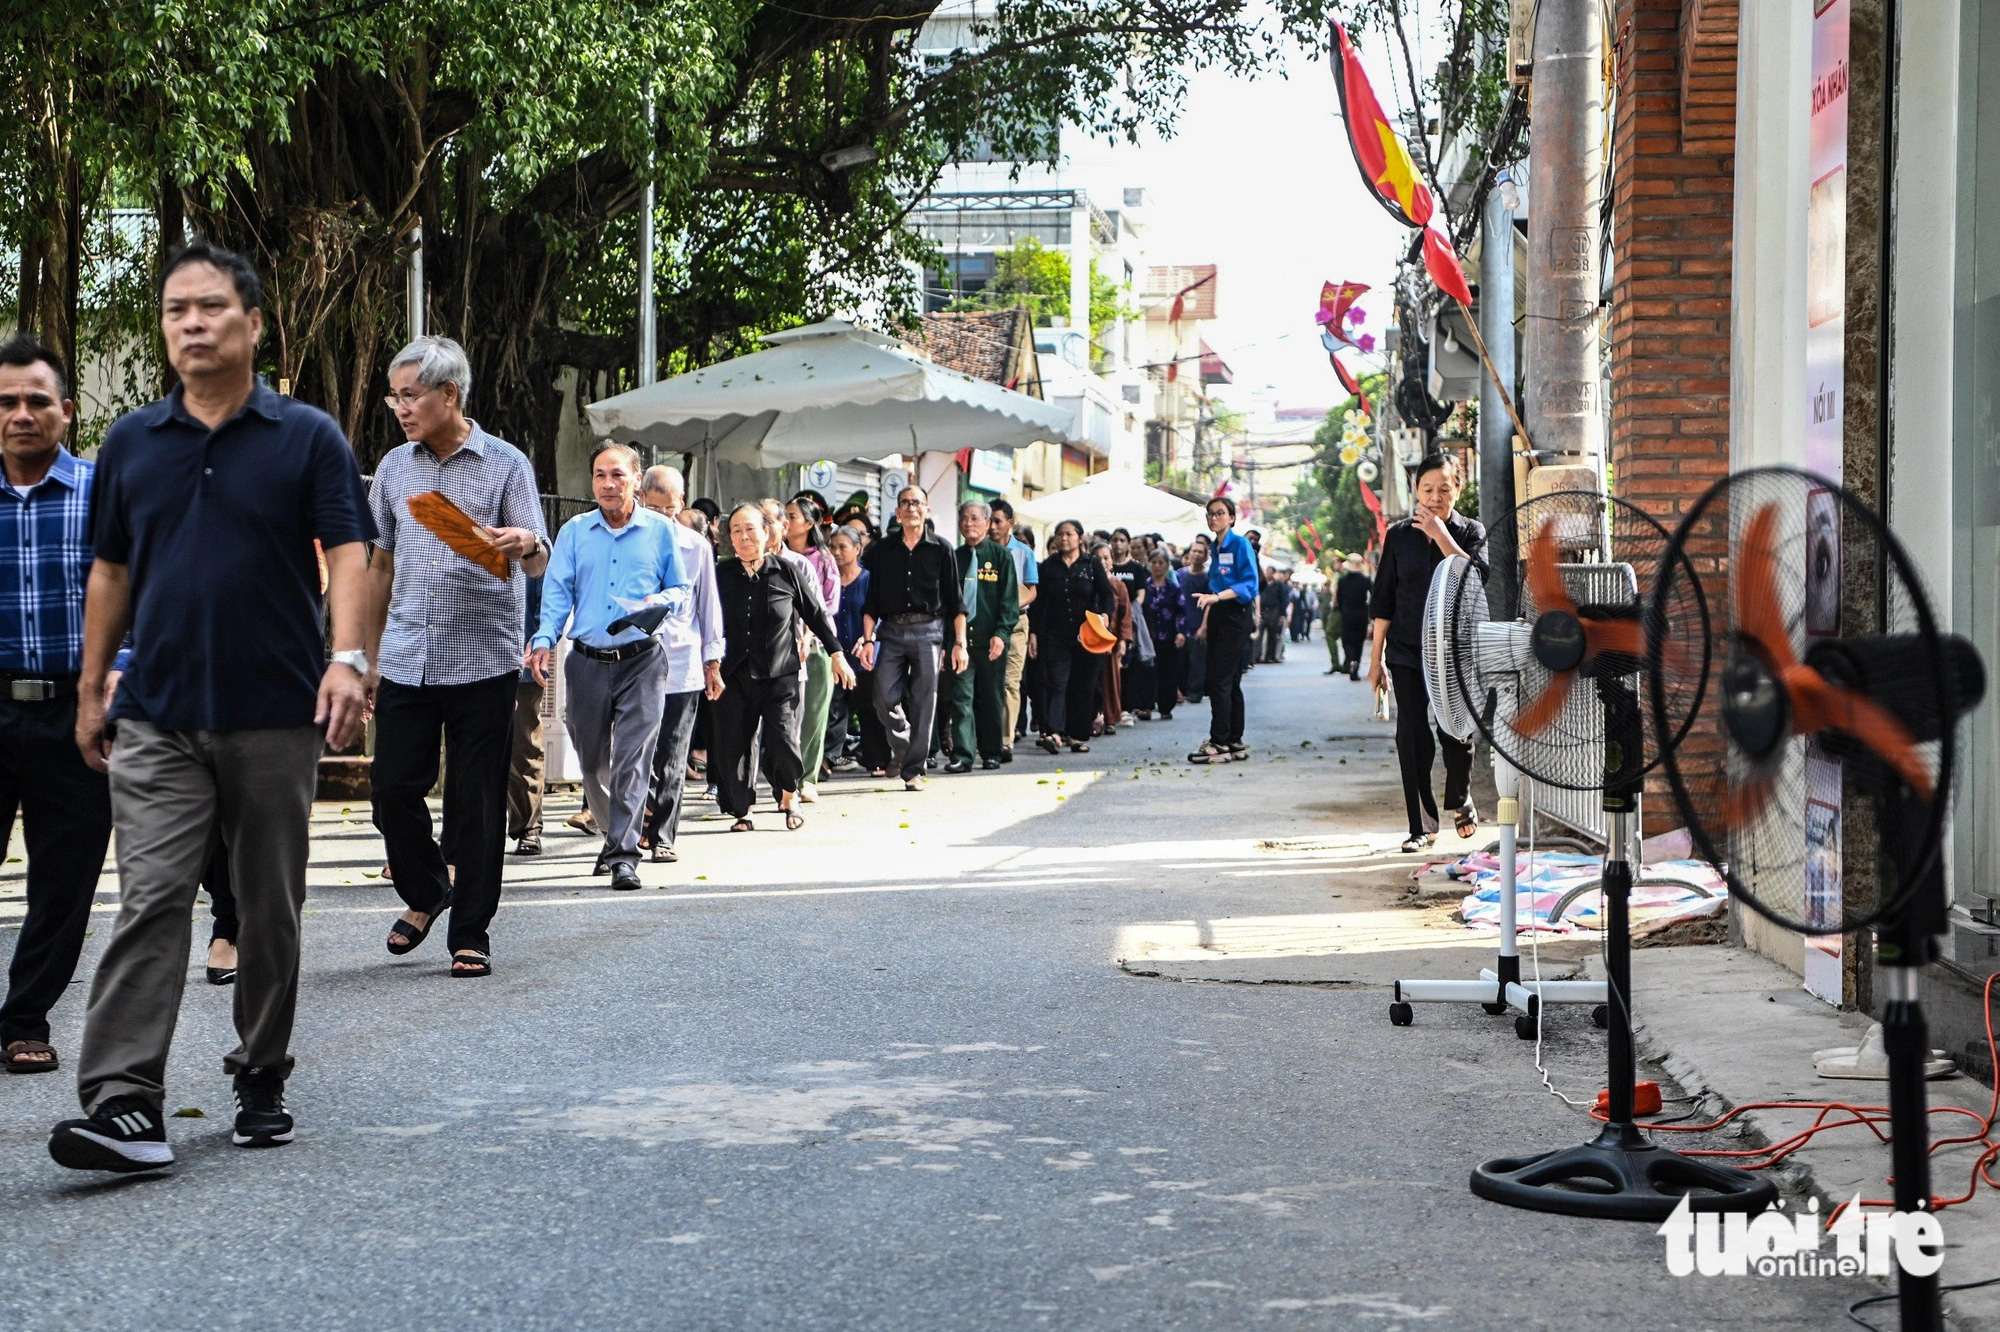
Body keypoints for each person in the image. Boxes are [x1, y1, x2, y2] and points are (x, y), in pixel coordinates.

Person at [52, 242, 372, 1171]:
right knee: (149, 900)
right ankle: (123, 1104)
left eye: (210, 308)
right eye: (175, 311)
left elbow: (348, 549)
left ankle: (261, 1069)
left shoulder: (306, 435)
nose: (191, 324)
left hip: (275, 713)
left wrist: (347, 657)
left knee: (268, 907)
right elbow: (109, 569)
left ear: (254, 323)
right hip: (157, 713)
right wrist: (90, 687)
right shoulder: (130, 443)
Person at [363, 335, 549, 979]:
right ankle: (426, 893)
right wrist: (367, 655)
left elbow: (537, 557)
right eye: (395, 397)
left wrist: (525, 540)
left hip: (482, 660)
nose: (401, 408)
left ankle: (470, 930)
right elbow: (380, 562)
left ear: (450, 394)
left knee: (473, 802)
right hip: (408, 654)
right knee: (392, 791)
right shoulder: (393, 469)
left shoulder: (505, 464)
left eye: (410, 395)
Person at [0, 336, 114, 1076]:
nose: (21, 414)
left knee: (64, 879)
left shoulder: (105, 494)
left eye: (38, 401)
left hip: (78, 713)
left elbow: (142, 598)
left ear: (67, 412)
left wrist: (112, 685)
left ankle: (24, 1017)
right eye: (6, 402)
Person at [527, 445, 688, 891]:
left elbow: (680, 588)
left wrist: (661, 601)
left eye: (617, 474)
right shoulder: (575, 532)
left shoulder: (659, 531)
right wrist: (544, 640)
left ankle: (622, 853)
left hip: (642, 661)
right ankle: (614, 830)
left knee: (632, 761)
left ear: (636, 478)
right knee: (592, 759)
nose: (607, 484)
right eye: (599, 475)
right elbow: (556, 594)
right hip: (586, 662)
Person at [1368, 453, 1486, 852]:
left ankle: (1460, 796)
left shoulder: (1471, 530)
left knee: (1456, 732)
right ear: (1416, 490)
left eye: (1444, 489)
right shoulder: (1398, 535)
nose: (1435, 497)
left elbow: (1477, 575)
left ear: (1459, 489)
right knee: (1411, 735)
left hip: (1455, 652)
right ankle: (1422, 826)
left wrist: (1440, 535)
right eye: (1427, 489)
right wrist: (1376, 659)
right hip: (1406, 651)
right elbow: (1384, 600)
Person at [712, 504, 854, 831]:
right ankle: (742, 812)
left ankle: (788, 794)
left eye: (750, 529)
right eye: (736, 530)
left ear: (767, 532)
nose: (744, 536)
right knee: (735, 743)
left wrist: (836, 654)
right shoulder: (721, 574)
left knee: (783, 739)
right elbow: (705, 621)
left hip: (780, 673)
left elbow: (815, 614)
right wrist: (709, 664)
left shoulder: (786, 571)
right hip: (733, 673)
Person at [638, 467, 723, 863]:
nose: (662, 518)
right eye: (653, 509)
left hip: (682, 660)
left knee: (673, 752)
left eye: (669, 509)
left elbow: (709, 608)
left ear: (681, 505)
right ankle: (641, 818)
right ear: (640, 502)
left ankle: (664, 835)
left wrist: (712, 662)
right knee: (636, 749)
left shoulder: (696, 546)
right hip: (635, 661)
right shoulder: (627, 542)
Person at [858, 487, 965, 792]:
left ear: (926, 509)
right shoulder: (881, 550)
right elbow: (871, 602)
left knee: (923, 702)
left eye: (916, 502)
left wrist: (959, 644)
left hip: (929, 631)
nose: (910, 508)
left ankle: (913, 770)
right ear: (897, 511)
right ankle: (906, 749)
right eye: (904, 503)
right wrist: (867, 641)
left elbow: (956, 602)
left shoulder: (942, 549)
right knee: (882, 697)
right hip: (890, 631)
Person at [944, 501, 1019, 772]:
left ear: (987, 524)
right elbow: (948, 603)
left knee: (990, 698)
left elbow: (1009, 600)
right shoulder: (954, 557)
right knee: (962, 698)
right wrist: (947, 641)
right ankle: (963, 755)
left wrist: (1002, 633)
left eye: (975, 518)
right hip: (960, 643)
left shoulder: (1001, 557)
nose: (968, 523)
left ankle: (991, 752)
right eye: (964, 518)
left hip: (991, 642)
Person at [1028, 520, 1112, 755]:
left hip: (1087, 635)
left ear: (1080, 538)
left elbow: (1107, 595)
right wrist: (1033, 632)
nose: (1063, 538)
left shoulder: (1092, 564)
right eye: (1059, 534)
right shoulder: (1048, 567)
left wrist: (1105, 616)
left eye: (1069, 534)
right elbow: (1039, 602)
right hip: (1056, 635)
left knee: (1082, 685)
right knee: (1057, 683)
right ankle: (1054, 733)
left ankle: (1077, 735)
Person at [1188, 496, 1258, 765]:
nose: (1213, 518)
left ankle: (1218, 743)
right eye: (1210, 514)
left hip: (1235, 614)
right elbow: (1215, 586)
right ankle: (1233, 741)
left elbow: (1249, 584)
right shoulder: (1215, 548)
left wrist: (1216, 598)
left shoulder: (1240, 544)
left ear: (1231, 518)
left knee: (1218, 680)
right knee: (1231, 681)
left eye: (1219, 513)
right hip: (1218, 612)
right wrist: (1209, 613)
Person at [783, 495, 840, 799]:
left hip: (815, 645)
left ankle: (808, 779)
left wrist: (807, 632)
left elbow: (827, 606)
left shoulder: (823, 560)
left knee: (814, 715)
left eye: (792, 515)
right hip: (780, 645)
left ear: (808, 523)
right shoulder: (774, 556)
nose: (786, 520)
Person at [826, 527, 889, 775]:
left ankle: (877, 759)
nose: (837, 552)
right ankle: (829, 758)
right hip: (836, 654)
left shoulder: (869, 579)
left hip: (865, 654)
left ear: (857, 549)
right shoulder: (828, 579)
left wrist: (868, 638)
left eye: (843, 547)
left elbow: (881, 614)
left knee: (870, 708)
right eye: (833, 547)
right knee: (833, 706)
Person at [988, 499, 1037, 761]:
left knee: (1009, 681)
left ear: (1010, 523)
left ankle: (1005, 741)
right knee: (986, 682)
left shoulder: (1023, 553)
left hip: (1016, 624)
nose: (993, 527)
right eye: (990, 521)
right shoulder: (977, 550)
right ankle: (985, 735)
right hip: (984, 624)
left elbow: (1032, 590)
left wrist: (1011, 604)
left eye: (998, 521)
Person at [508, 573, 548, 853]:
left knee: (524, 746)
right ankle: (461, 831)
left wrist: (539, 641)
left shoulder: (532, 538)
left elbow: (549, 602)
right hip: (471, 658)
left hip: (523, 658)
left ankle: (528, 826)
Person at [1138, 550, 1186, 721]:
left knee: (1168, 672)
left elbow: (1182, 611)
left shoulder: (1174, 588)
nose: (1157, 566)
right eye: (1154, 562)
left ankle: (1166, 706)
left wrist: (1181, 632)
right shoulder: (1144, 587)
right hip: (1148, 637)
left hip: (1168, 636)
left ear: (1167, 566)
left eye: (1161, 563)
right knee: (1147, 671)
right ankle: (1146, 705)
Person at [1093, 541, 1133, 735]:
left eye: (1106, 558)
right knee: (1092, 680)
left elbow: (1126, 615)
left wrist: (1123, 641)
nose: (1102, 562)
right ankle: (1092, 716)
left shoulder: (1119, 586)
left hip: (1112, 639)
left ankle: (1109, 718)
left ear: (1112, 561)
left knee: (1110, 681)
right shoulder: (1089, 582)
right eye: (1098, 558)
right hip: (1091, 639)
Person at [1177, 535, 1210, 706]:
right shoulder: (1179, 574)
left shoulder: (1207, 578)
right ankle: (1181, 690)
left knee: (1197, 661)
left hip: (1198, 624)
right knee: (1181, 660)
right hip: (1181, 624)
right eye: (1194, 551)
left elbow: (1210, 604)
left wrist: (1204, 626)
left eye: (1200, 552)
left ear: (1205, 556)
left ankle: (1195, 691)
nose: (1196, 554)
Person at [1335, 553, 1373, 681]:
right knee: (1359, 642)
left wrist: (1341, 610)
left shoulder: (1342, 580)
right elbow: (1374, 595)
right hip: (1361, 613)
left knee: (1346, 640)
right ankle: (1355, 668)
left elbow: (1339, 599)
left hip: (1347, 613)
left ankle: (1351, 660)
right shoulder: (1366, 580)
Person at [1258, 565, 1290, 663]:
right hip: (1262, 610)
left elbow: (1283, 600)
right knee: (1259, 634)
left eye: (1270, 572)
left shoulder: (1278, 585)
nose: (1268, 573)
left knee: (1272, 635)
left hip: (1274, 611)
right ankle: (1257, 656)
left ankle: (1270, 656)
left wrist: (1282, 614)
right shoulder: (1262, 583)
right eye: (1267, 571)